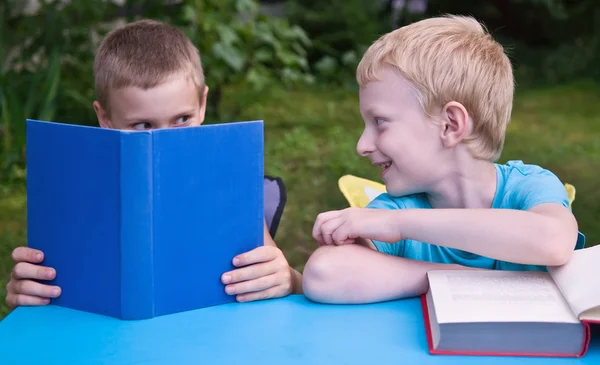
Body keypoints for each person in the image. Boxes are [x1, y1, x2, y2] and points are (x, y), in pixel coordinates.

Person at [5, 19, 302, 309]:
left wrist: (287, 279)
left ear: (202, 104)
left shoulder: (230, 182)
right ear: (105, 118)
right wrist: (31, 290)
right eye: (143, 124)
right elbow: (47, 283)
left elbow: (281, 282)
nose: (163, 140)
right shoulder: (75, 190)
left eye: (182, 119)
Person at [303, 15, 585, 304]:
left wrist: (398, 226)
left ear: (450, 125)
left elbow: (552, 240)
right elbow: (325, 274)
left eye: (380, 121)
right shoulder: (397, 206)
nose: (362, 145)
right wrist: (452, 276)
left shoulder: (528, 186)